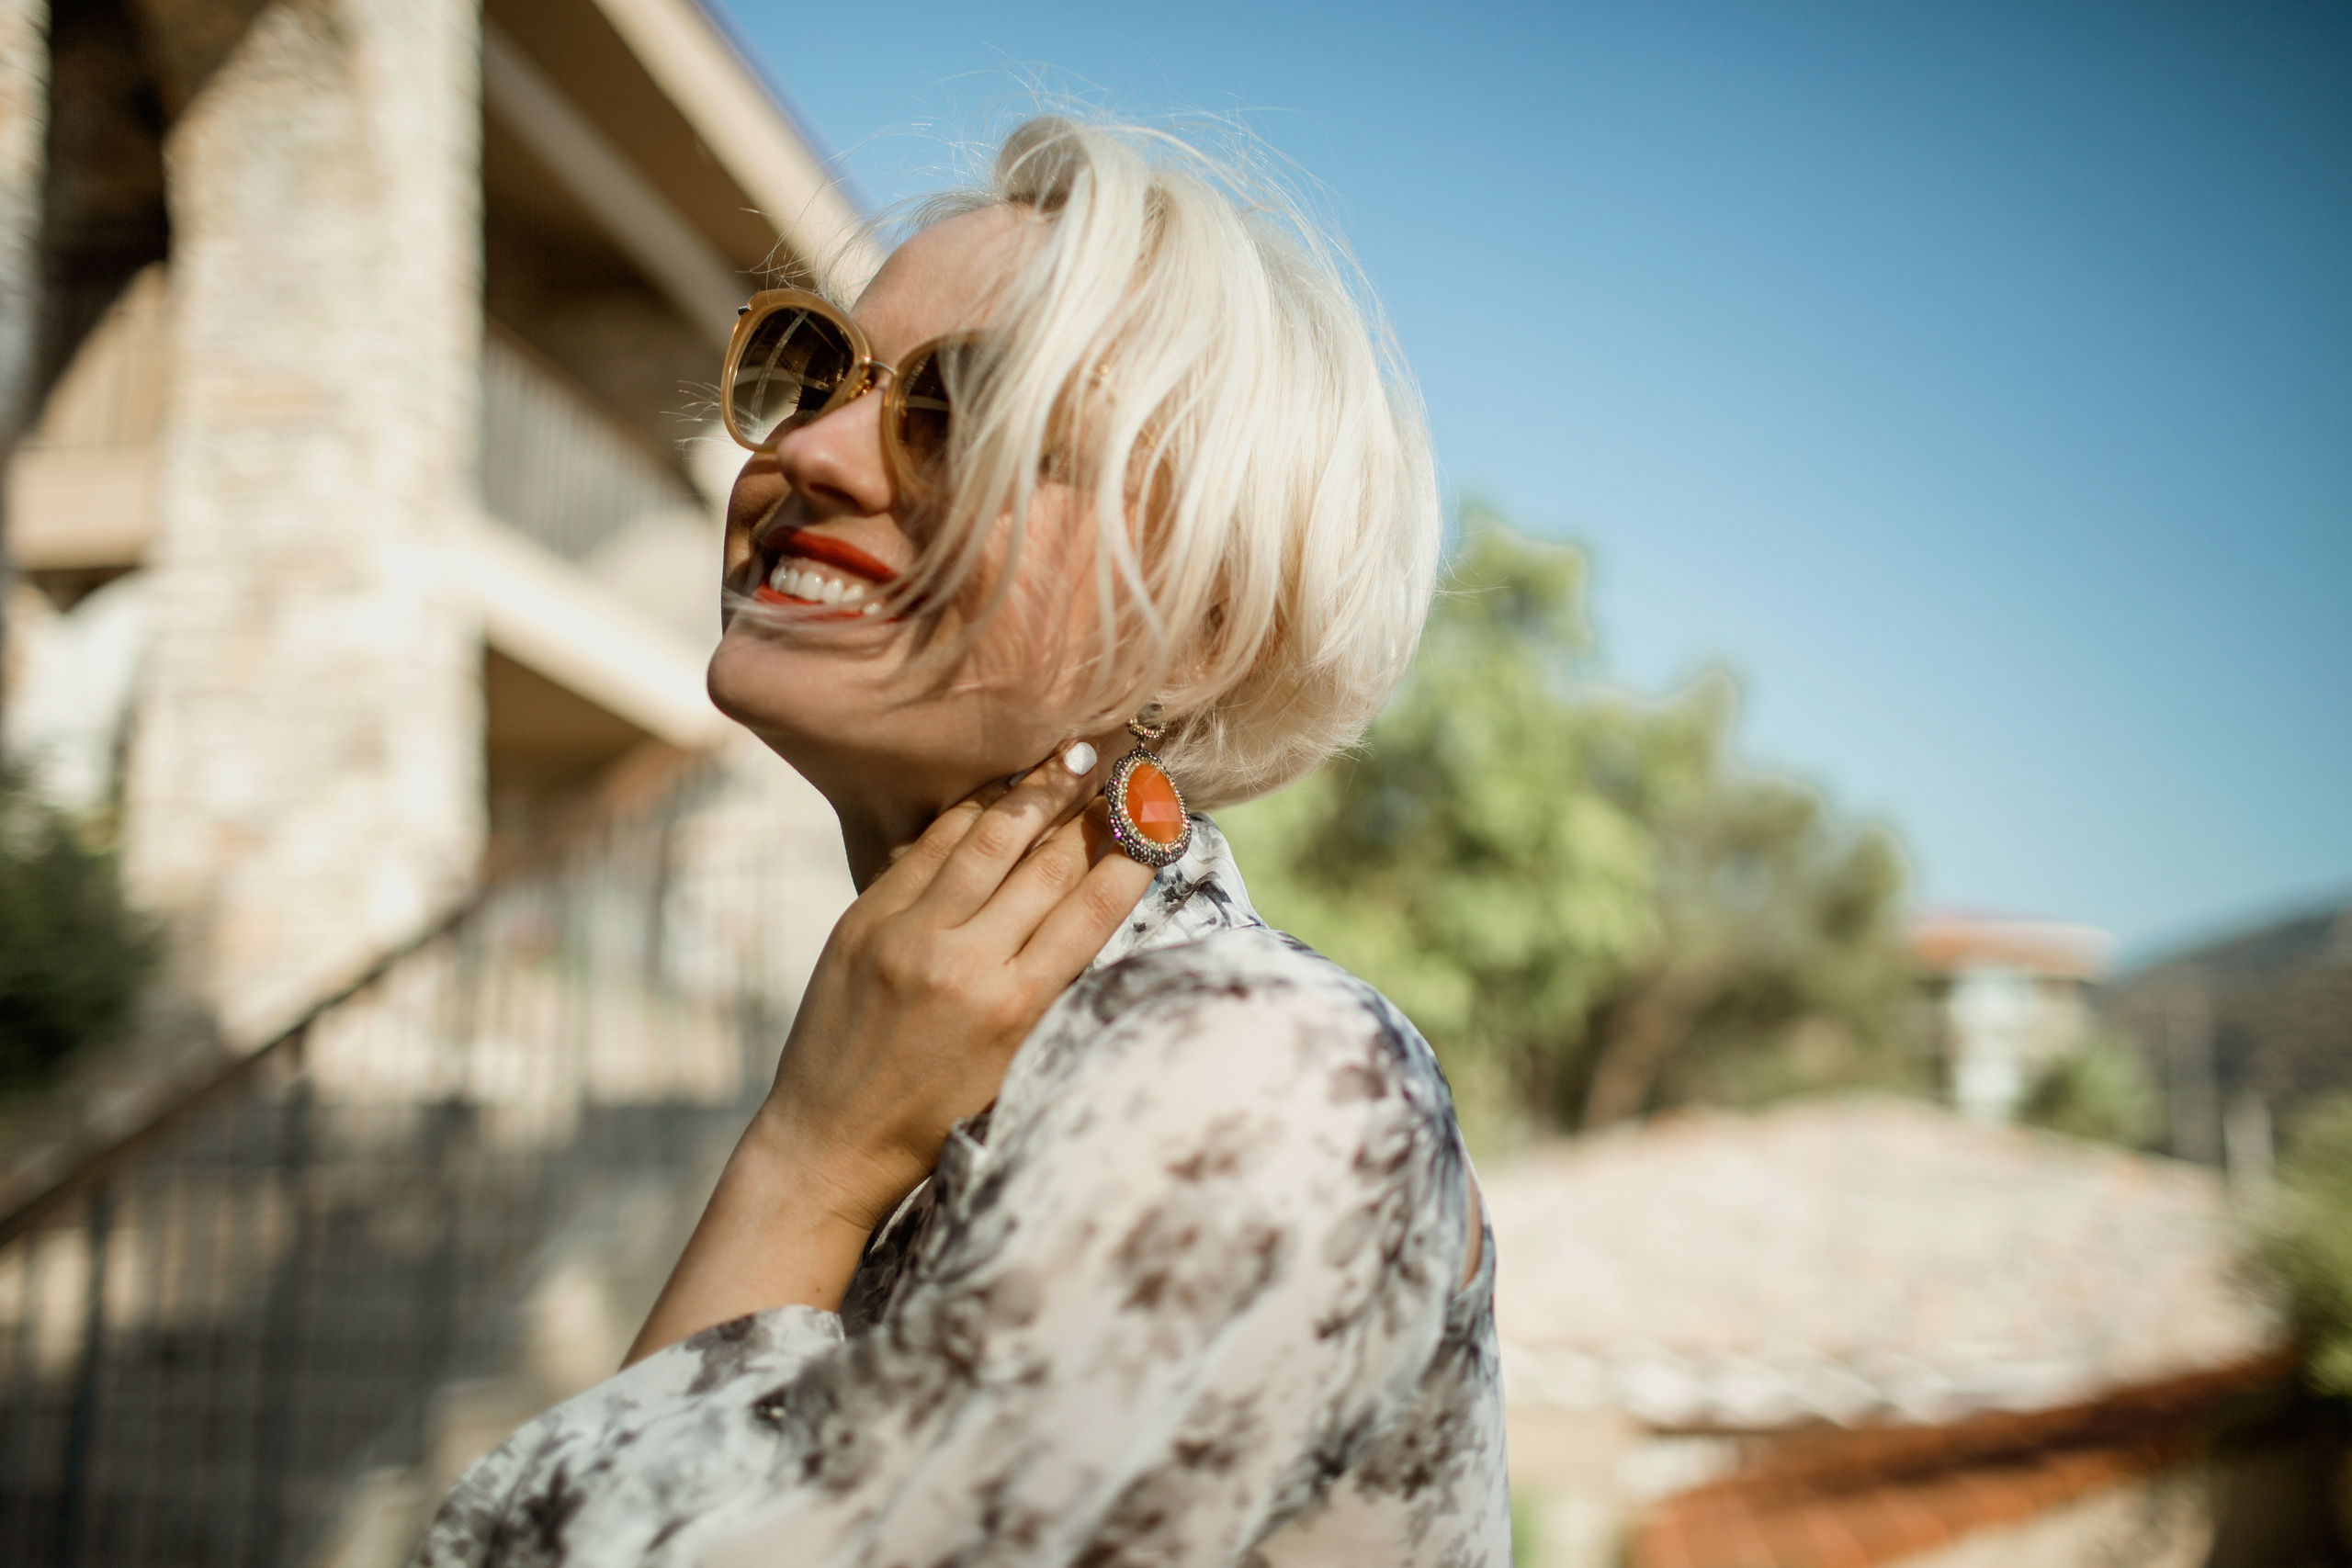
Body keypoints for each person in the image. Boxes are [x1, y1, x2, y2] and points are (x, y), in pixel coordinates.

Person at [414, 115, 1507, 1567]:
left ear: (1205, 622)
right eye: (812, 370)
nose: (812, 448)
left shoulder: (1259, 1081)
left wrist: (804, 1167)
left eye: (970, 409)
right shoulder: (958, 1047)